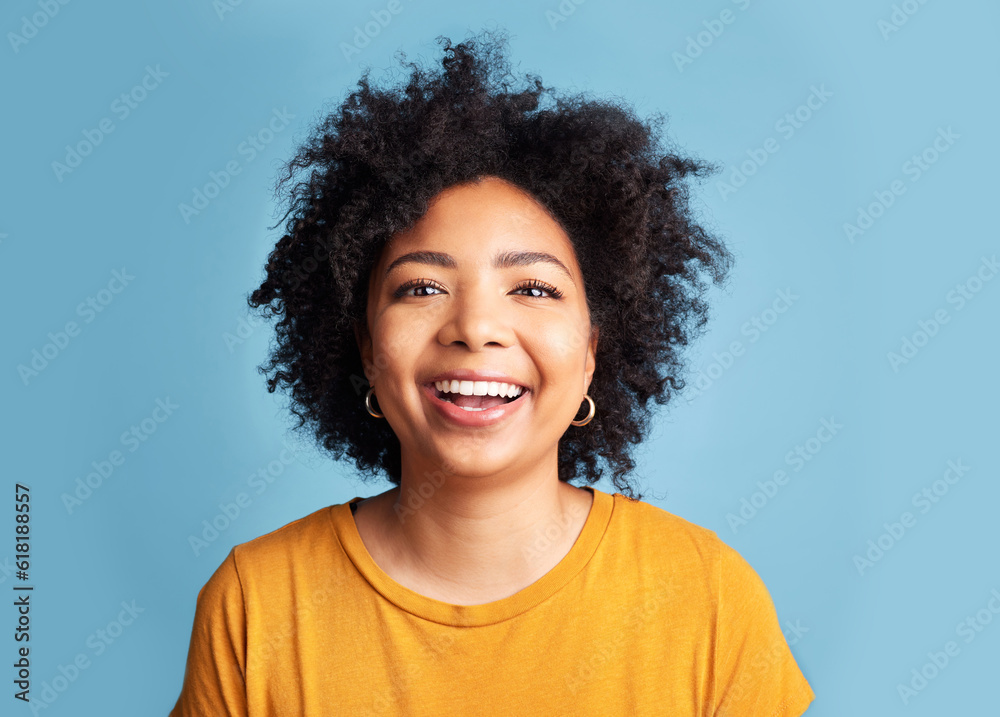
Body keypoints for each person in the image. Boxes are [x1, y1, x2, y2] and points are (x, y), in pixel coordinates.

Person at [169, 27, 814, 716]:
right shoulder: (256, 604)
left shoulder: (707, 595)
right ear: (365, 347)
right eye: (422, 287)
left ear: (593, 350)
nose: (475, 327)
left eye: (533, 288)